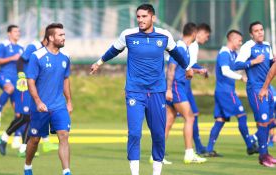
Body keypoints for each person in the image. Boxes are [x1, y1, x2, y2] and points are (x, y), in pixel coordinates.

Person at [90, 4, 192, 175]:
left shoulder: (164, 36)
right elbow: (113, 50)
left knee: (159, 134)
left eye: (144, 16)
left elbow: (176, 54)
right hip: (134, 92)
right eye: (138, 16)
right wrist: (99, 63)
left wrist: (187, 67)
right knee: (135, 133)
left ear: (153, 18)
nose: (140, 20)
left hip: (157, 92)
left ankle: (156, 172)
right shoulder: (128, 35)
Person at [24, 23, 73, 175]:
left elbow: (65, 80)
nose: (64, 38)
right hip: (40, 107)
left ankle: (66, 171)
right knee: (35, 140)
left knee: (64, 135)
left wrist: (69, 101)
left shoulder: (66, 57)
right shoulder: (36, 56)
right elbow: (30, 81)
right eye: (60, 35)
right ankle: (27, 165)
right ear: (51, 37)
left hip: (59, 106)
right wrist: (38, 101)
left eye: (64, 35)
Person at [204, 30, 257, 157]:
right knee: (242, 115)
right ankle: (250, 146)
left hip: (223, 91)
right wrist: (241, 78)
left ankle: (209, 149)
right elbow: (225, 71)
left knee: (220, 120)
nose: (240, 43)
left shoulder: (233, 54)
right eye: (239, 40)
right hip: (226, 92)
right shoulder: (224, 53)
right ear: (232, 39)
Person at [234, 21, 276, 167]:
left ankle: (265, 153)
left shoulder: (267, 46)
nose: (260, 32)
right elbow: (235, 65)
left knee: (269, 121)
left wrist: (273, 61)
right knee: (263, 121)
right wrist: (253, 62)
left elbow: (270, 66)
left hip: (268, 88)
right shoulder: (248, 47)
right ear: (251, 34)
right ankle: (263, 156)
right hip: (256, 89)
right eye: (256, 31)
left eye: (261, 29)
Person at [165, 22, 207, 164]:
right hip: (176, 87)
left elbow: (183, 67)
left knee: (169, 121)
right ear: (194, 33)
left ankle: (156, 155)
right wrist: (169, 89)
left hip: (177, 86)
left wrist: (194, 70)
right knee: (189, 117)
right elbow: (171, 68)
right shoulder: (180, 47)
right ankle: (189, 153)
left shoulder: (185, 48)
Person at [0, 24, 23, 128]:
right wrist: (11, 58)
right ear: (9, 33)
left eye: (19, 31)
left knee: (20, 114)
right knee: (9, 88)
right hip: (4, 76)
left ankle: (11, 137)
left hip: (17, 80)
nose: (18, 33)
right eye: (15, 31)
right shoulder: (3, 45)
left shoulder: (21, 48)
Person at [187, 23, 211, 154]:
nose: (206, 39)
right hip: (180, 85)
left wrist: (200, 70)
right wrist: (202, 69)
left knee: (171, 116)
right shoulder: (193, 44)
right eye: (206, 36)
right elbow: (190, 65)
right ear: (200, 33)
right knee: (192, 115)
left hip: (183, 84)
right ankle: (198, 147)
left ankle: (199, 146)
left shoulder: (190, 44)